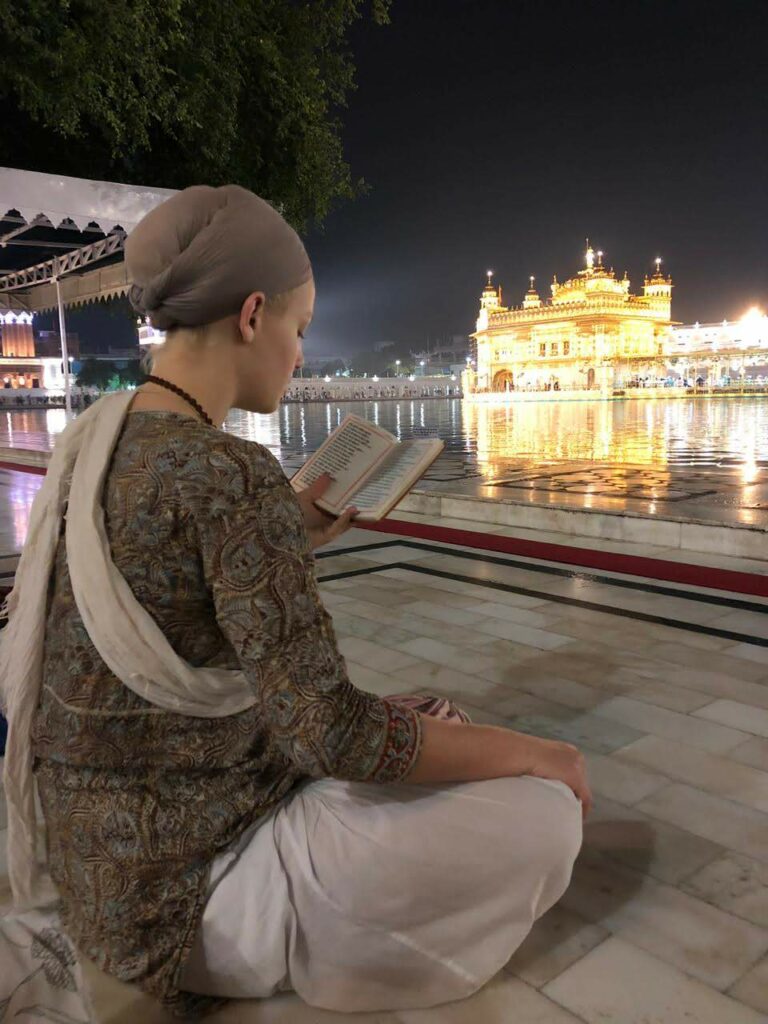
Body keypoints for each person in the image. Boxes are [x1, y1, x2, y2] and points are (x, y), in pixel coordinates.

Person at [1, 185, 589, 1017]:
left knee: (435, 723)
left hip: (90, 858)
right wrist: (535, 751)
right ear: (250, 316)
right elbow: (329, 731)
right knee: (540, 812)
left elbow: (158, 585)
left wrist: (290, 530)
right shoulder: (230, 474)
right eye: (299, 330)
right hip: (188, 892)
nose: (301, 357)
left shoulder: (97, 437)